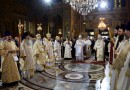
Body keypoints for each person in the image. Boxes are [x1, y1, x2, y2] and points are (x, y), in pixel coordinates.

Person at [116, 22, 130, 90]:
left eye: (127, 30)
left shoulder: (127, 42)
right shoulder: (126, 41)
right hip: (124, 67)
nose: (126, 32)